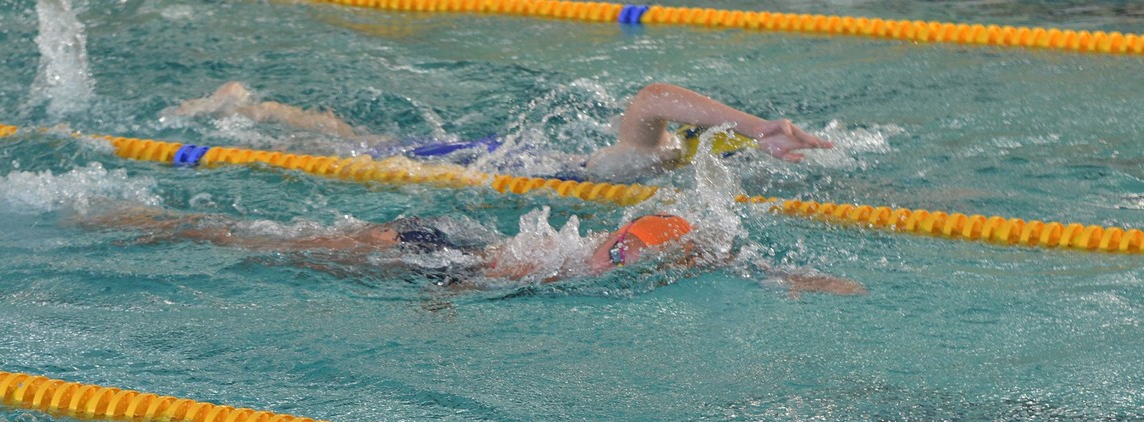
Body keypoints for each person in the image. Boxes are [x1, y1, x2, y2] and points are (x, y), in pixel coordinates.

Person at [85, 205, 864, 294]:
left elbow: (710, 257)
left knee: (283, 243)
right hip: (439, 252)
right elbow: (483, 278)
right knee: (280, 249)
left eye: (624, 256)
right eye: (617, 250)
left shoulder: (629, 258)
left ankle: (162, 223)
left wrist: (791, 276)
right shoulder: (567, 260)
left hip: (456, 247)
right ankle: (158, 224)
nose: (612, 259)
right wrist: (442, 306)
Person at [163, 81, 834, 182]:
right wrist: (762, 127)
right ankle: (251, 111)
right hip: (487, 160)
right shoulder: (644, 162)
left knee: (355, 139)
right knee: (347, 150)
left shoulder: (654, 165)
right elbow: (655, 96)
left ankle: (255, 107)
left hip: (511, 156)